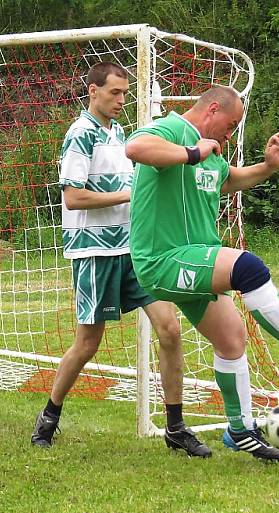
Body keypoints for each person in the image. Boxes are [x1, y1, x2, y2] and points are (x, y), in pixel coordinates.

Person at [125, 85, 279, 462]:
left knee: (232, 340)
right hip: (162, 259)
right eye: (230, 125)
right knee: (249, 267)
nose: (230, 135)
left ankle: (239, 429)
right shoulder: (171, 130)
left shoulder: (213, 155)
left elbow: (228, 180)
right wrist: (192, 152)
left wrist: (268, 167)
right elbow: (135, 149)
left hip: (194, 259)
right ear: (212, 109)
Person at [29, 63, 210, 457]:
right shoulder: (80, 134)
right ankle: (49, 415)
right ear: (93, 91)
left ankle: (176, 427)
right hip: (94, 252)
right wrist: (129, 196)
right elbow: (73, 198)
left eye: (125, 94)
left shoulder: (121, 134)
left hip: (135, 251)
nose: (121, 101)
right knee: (88, 343)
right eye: (114, 93)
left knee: (170, 330)